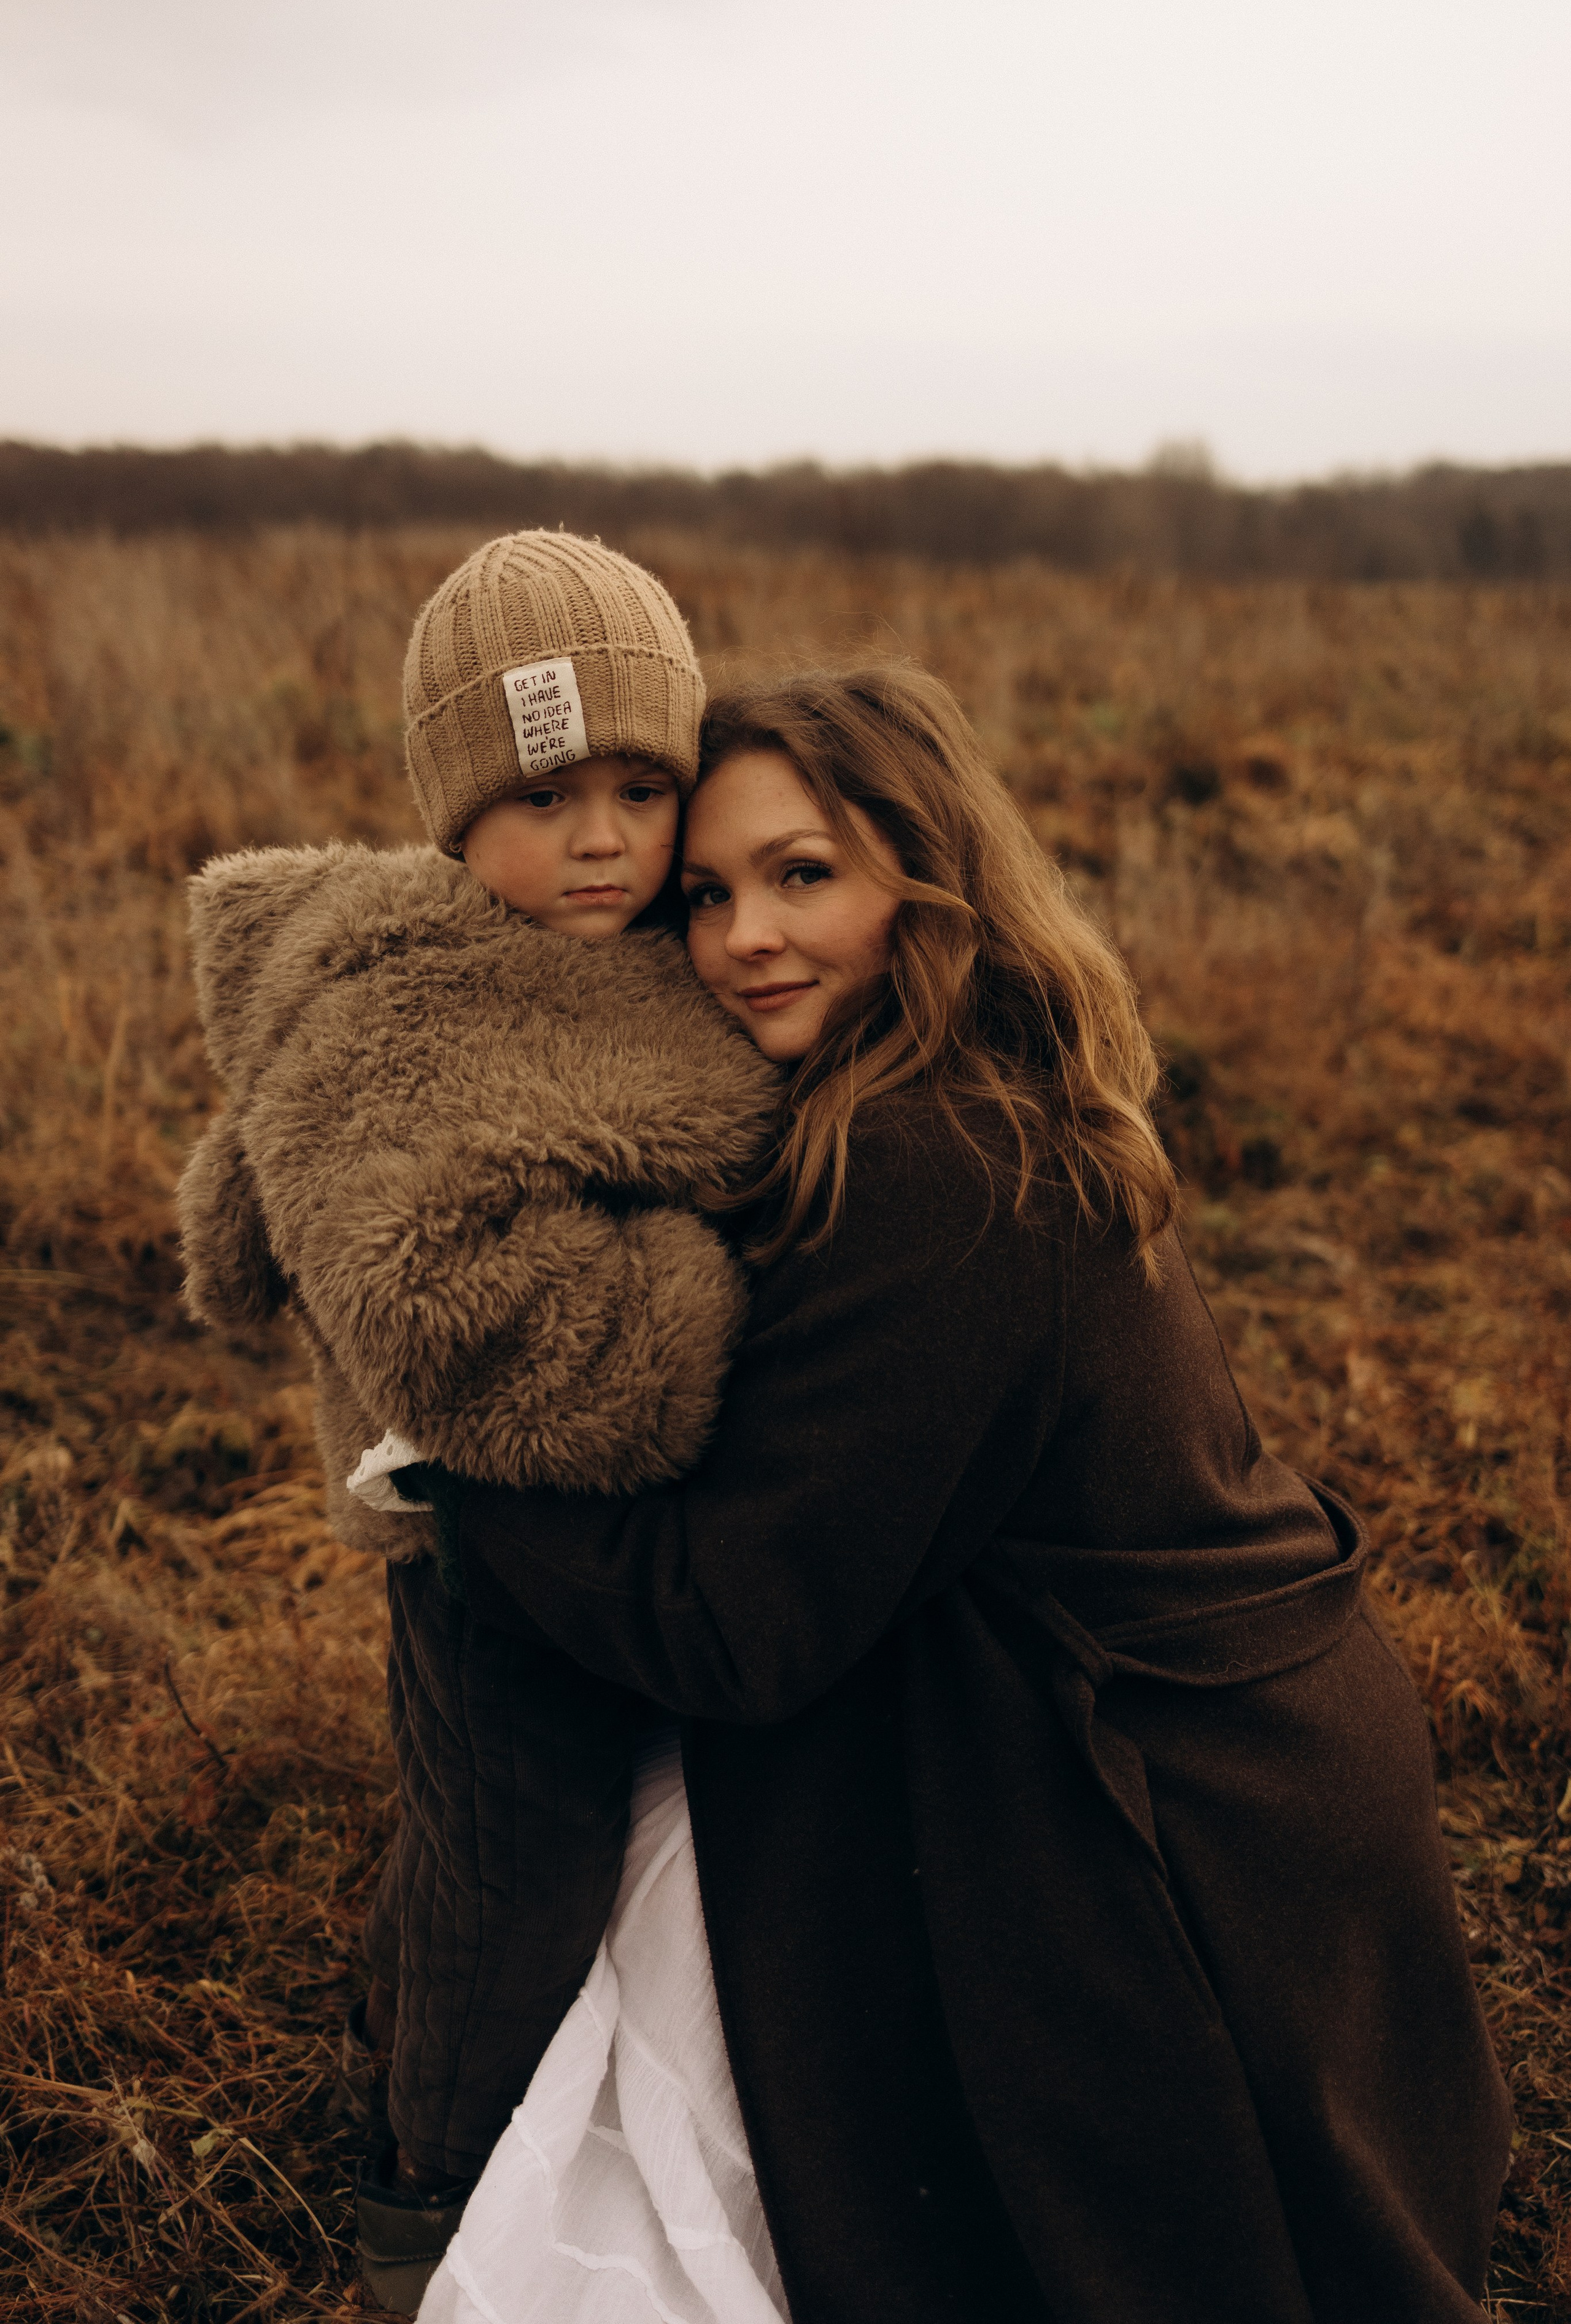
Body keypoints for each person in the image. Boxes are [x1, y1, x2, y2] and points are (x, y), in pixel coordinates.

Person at [420, 664, 1511, 2324]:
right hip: (1243, 1762)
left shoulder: (941, 1164)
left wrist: (464, 1480)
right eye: (705, 895)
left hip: (1163, 1818)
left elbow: (731, 1630)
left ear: (929, 882)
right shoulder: (947, 1088)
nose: (744, 938)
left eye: (804, 875)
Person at [176, 531, 777, 2312]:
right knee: (514, 1865)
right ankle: (427, 2184)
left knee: (477, 1827)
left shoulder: (629, 960)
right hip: (489, 1542)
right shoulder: (423, 1010)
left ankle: (408, 2035)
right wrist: (717, 1298)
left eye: (641, 790)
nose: (601, 840)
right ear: (455, 816)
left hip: (556, 1544)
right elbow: (450, 1306)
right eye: (541, 796)